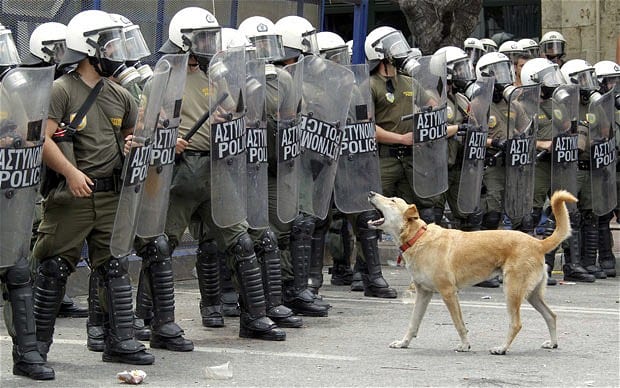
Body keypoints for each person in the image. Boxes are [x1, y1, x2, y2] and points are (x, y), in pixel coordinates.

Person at [31, 10, 154, 365]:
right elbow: (42, 138)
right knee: (54, 268)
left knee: (114, 266)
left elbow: (132, 133)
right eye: (110, 44)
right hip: (73, 197)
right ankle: (36, 349)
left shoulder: (120, 94)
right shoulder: (61, 89)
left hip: (110, 194)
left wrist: (133, 143)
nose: (117, 51)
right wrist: (70, 173)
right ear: (89, 48)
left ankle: (120, 341)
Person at [159, 7, 286, 340]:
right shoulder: (162, 77)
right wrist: (167, 139)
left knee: (240, 241)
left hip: (216, 168)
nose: (208, 44)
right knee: (160, 247)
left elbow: (232, 111)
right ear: (183, 40)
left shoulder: (213, 76)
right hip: (182, 171)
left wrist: (227, 116)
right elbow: (145, 125)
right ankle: (155, 321)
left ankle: (254, 317)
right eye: (202, 38)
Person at [315, 30, 397, 298]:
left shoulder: (353, 89)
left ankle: (373, 277)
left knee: (365, 217)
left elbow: (364, 124)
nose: (340, 64)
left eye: (342, 58)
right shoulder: (310, 91)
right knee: (318, 221)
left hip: (351, 163)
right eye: (334, 59)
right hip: (321, 167)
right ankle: (311, 281)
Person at [22, 21, 89, 320]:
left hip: (53, 164)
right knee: (37, 230)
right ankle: (29, 291)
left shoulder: (69, 85)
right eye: (58, 49)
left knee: (48, 230)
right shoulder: (27, 83)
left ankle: (51, 294)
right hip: (26, 165)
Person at [0, 22, 56, 380]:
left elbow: (26, 132)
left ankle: (27, 353)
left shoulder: (8, 89)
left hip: (7, 193)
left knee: (18, 270)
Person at [476, 52, 535, 287]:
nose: (503, 77)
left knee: (509, 213)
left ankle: (503, 266)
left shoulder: (514, 104)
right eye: (496, 72)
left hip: (512, 165)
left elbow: (524, 131)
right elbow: (471, 136)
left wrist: (520, 140)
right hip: (492, 164)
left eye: (504, 71)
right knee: (490, 214)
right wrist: (494, 142)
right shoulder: (479, 104)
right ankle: (483, 269)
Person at [560, 59, 611, 281]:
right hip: (572, 167)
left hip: (592, 166)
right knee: (573, 216)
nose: (587, 83)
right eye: (582, 78)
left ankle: (590, 262)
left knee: (591, 215)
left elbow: (605, 131)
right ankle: (573, 265)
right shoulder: (563, 105)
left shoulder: (593, 104)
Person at [520, 57, 571, 285]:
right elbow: (518, 139)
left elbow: (566, 128)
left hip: (557, 163)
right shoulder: (523, 106)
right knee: (530, 213)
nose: (553, 82)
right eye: (547, 78)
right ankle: (526, 265)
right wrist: (543, 144)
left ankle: (546, 264)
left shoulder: (555, 105)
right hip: (536, 165)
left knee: (554, 213)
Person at [592, 60, 619, 277]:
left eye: (617, 81)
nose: (615, 86)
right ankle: (606, 256)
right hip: (605, 168)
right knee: (603, 214)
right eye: (610, 81)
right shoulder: (595, 108)